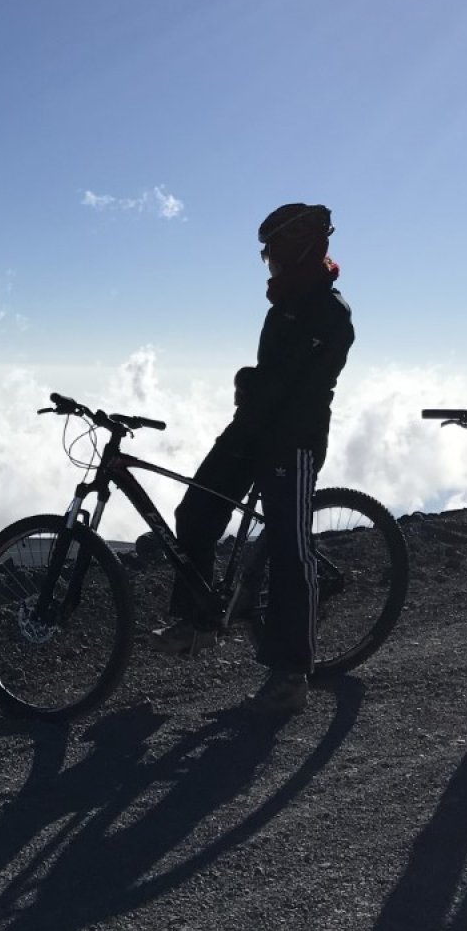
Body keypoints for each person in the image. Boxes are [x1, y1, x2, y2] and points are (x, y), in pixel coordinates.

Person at [150, 202, 354, 718]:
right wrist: (252, 384)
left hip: (295, 441)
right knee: (195, 510)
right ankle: (197, 623)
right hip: (252, 431)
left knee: (290, 551)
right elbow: (273, 376)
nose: (269, 263)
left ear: (299, 248)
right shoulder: (284, 303)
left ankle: (291, 675)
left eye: (273, 253)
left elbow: (292, 384)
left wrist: (251, 382)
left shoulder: (330, 313)